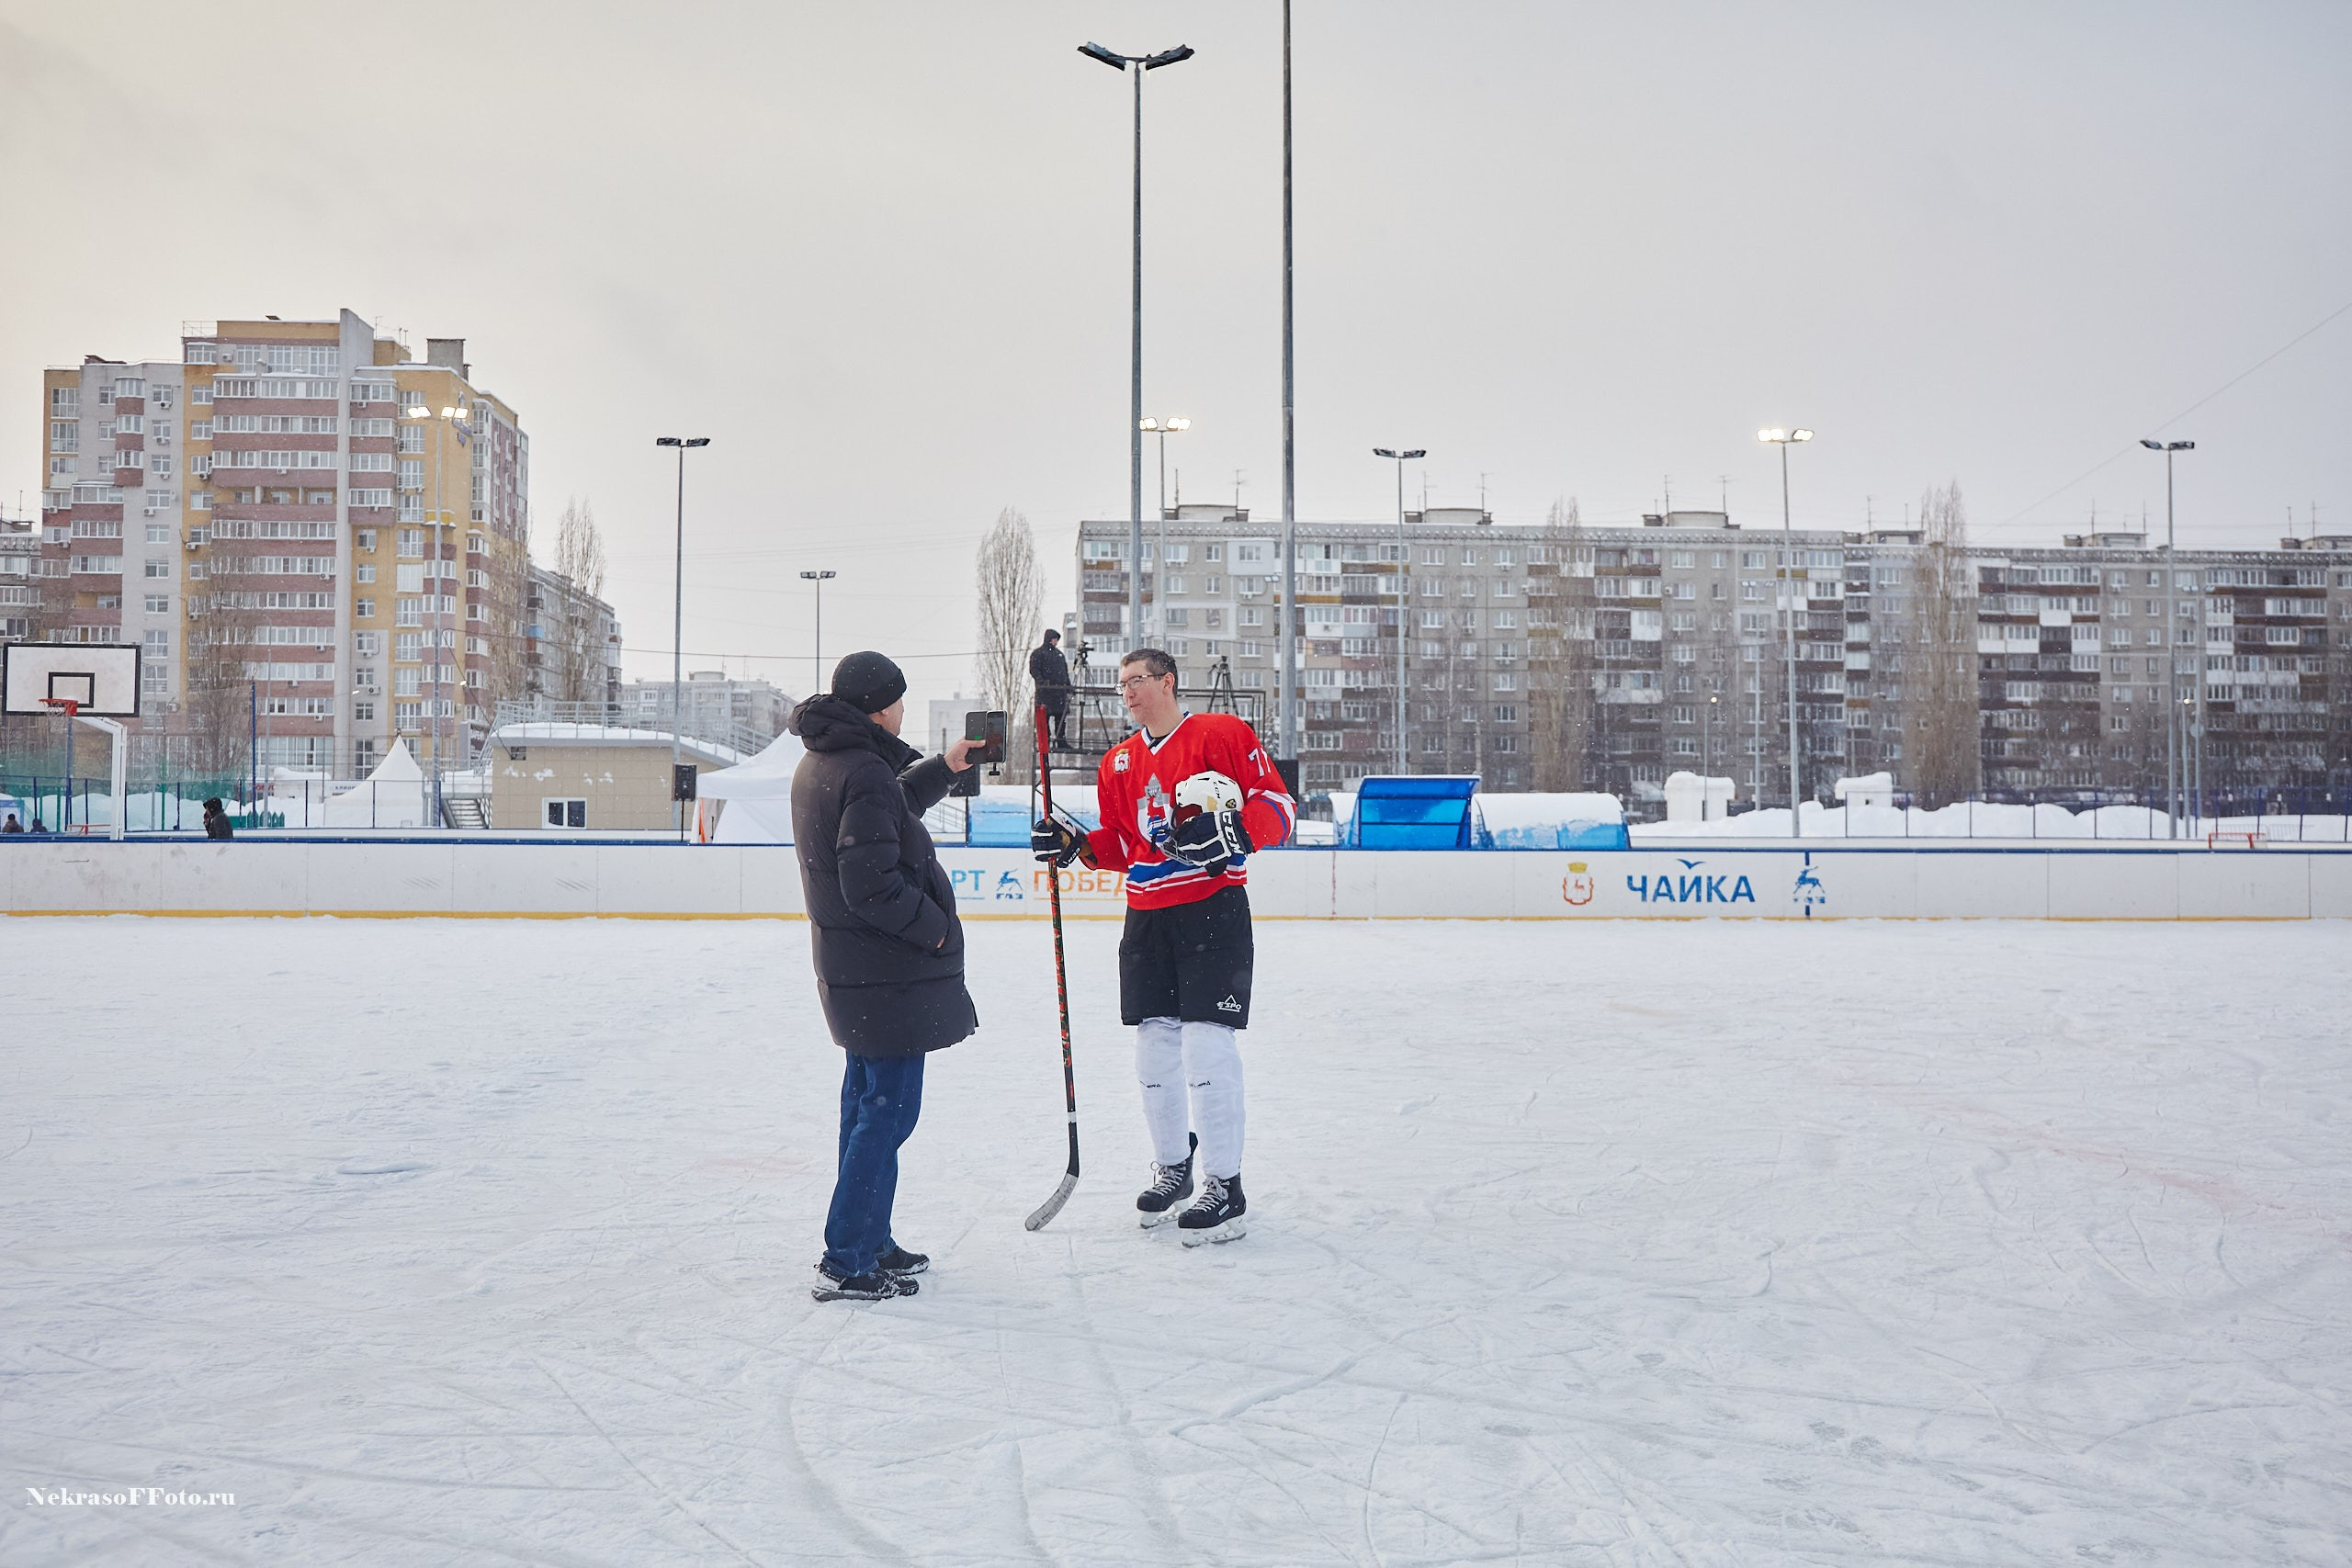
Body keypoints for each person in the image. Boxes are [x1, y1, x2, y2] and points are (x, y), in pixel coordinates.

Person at [1031, 647, 1295, 1245]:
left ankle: (1224, 1183)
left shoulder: (1219, 734)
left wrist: (1233, 832)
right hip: (1147, 915)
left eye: (1137, 680)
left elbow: (1277, 804)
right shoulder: (1117, 761)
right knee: (1154, 1049)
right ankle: (1174, 1167)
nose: (1127, 691)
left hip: (1211, 905)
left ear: (1168, 681)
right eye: (1121, 682)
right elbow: (1125, 843)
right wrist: (1075, 843)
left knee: (1206, 1044)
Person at [788, 650, 981, 1303]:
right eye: (899, 698)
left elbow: (886, 814)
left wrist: (944, 770)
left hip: (856, 974)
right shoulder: (863, 767)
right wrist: (936, 927)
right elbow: (868, 881)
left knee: (867, 1109)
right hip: (885, 972)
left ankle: (868, 1237)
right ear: (881, 704)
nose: (903, 708)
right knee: (887, 1114)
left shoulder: (826, 758)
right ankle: (847, 1257)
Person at [1028, 628, 1072, 748]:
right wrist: (1042, 682)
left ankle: (1060, 741)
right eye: (1054, 639)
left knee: (1061, 718)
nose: (1056, 642)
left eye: (1057, 640)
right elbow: (1034, 670)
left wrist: (1068, 686)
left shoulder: (1059, 655)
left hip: (1058, 693)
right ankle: (1045, 741)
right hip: (1045, 693)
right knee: (1044, 718)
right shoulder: (1038, 654)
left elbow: (1064, 672)